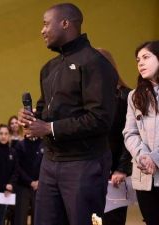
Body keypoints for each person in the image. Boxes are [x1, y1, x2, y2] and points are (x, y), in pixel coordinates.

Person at [18, 3, 118, 225]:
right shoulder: (49, 68)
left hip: (85, 163)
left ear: (65, 23)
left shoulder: (95, 63)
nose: (42, 30)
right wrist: (32, 119)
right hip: (50, 162)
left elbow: (100, 119)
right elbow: (44, 110)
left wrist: (49, 128)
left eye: (45, 24)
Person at [123, 40, 159, 225]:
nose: (141, 63)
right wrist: (142, 155)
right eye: (138, 60)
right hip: (145, 175)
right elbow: (129, 132)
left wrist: (156, 158)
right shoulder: (134, 96)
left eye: (146, 57)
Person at [96, 48, 133, 225]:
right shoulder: (90, 97)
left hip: (115, 174)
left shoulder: (127, 96)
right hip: (90, 170)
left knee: (112, 220)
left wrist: (122, 168)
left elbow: (131, 135)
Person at [14, 137, 43, 225]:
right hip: (22, 186)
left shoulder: (43, 144)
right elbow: (17, 166)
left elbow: (46, 164)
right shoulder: (20, 145)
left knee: (38, 216)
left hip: (40, 186)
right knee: (20, 217)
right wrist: (30, 182)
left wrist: (39, 181)